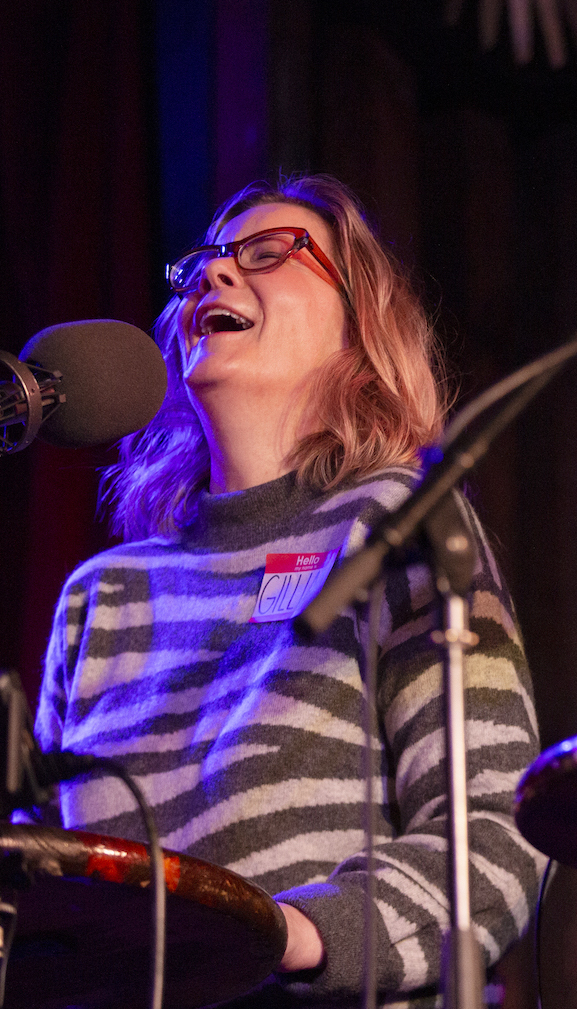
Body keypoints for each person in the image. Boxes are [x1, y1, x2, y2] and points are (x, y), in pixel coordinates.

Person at [29, 176, 541, 1006]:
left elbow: (495, 838)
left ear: (360, 327)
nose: (214, 276)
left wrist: (289, 934)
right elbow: (41, 889)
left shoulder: (395, 524)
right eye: (202, 264)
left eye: (269, 254)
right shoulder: (104, 597)